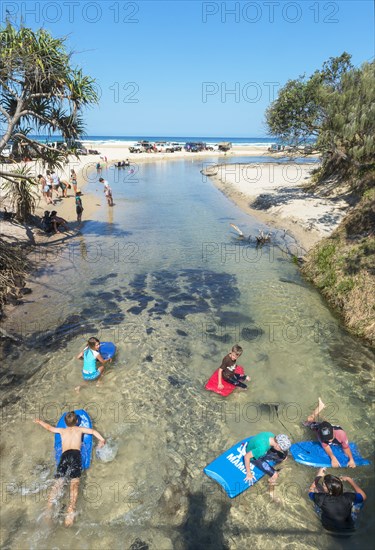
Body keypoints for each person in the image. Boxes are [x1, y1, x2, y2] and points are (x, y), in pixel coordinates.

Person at [33, 412, 105, 527]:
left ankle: (48, 509)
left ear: (65, 423)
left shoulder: (62, 430)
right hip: (75, 456)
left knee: (58, 482)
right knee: (74, 482)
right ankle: (70, 510)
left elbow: (49, 428)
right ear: (77, 421)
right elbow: (93, 432)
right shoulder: (80, 429)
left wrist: (39, 421)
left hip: (64, 456)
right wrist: (102, 440)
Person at [308, 468, 366, 533]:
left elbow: (310, 491)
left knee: (317, 488)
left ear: (329, 491)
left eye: (323, 485)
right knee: (356, 502)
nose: (322, 484)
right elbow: (363, 496)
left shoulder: (321, 498)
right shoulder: (348, 496)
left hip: (328, 528)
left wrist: (318, 477)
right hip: (349, 529)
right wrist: (349, 480)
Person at [304, 398, 356, 468]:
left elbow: (346, 447)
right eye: (327, 439)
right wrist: (333, 457)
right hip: (321, 428)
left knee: (323, 422)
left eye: (330, 439)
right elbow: (326, 446)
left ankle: (322, 409)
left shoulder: (342, 435)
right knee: (308, 422)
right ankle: (320, 407)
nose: (329, 441)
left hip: (333, 429)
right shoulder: (320, 435)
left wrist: (351, 459)